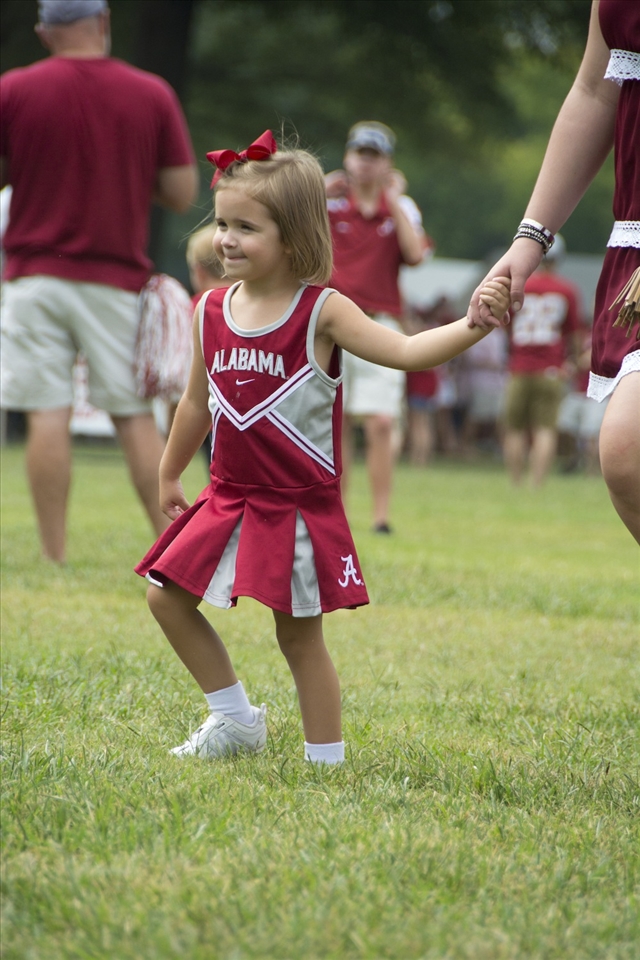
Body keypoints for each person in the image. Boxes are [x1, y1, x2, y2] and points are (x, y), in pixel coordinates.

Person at [134, 133, 510, 765]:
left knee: (298, 636)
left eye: (246, 227)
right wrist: (171, 471)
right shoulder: (209, 310)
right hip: (227, 494)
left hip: (296, 505)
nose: (226, 239)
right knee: (164, 597)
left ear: (295, 236)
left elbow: (407, 352)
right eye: (222, 222)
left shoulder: (324, 312)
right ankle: (234, 720)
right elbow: (197, 402)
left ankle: (325, 760)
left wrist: (473, 323)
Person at [0, 0, 198, 563]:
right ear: (104, 22)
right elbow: (182, 193)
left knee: (46, 410)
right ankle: (174, 548)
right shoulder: (151, 93)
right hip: (113, 277)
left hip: (32, 275)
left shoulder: (12, 90)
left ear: (44, 33)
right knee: (133, 413)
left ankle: (54, 554)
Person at [469, 0, 640, 541]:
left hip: (538, 370)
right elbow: (593, 91)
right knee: (626, 454)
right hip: (629, 255)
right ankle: (528, 482)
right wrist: (531, 238)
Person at [325, 123, 429, 533]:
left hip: (380, 321)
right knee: (336, 423)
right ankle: (339, 513)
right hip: (332, 321)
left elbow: (415, 254)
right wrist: (317, 188)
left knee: (381, 421)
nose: (365, 161)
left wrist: (395, 199)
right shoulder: (330, 204)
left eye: (374, 155)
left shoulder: (400, 207)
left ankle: (380, 516)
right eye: (359, 153)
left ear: (387, 163)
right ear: (348, 157)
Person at [501, 235, 582, 487]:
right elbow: (575, 335)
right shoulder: (567, 289)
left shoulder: (520, 285)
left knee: (514, 427)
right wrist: (574, 361)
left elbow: (507, 326)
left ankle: (516, 483)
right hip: (551, 368)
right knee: (545, 428)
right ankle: (536, 485)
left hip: (519, 366)